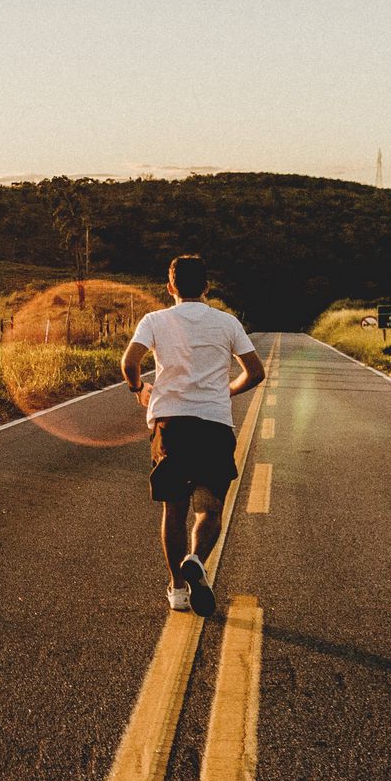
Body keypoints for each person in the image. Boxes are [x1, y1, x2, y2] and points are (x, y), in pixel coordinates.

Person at [121, 256, 264, 616]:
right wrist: (226, 390)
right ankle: (197, 560)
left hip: (170, 425)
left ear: (170, 287)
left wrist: (139, 388)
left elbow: (129, 362)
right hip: (213, 425)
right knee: (209, 508)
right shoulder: (227, 323)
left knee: (175, 508)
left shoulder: (155, 320)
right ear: (206, 287)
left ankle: (178, 589)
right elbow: (256, 372)